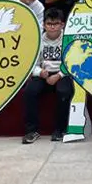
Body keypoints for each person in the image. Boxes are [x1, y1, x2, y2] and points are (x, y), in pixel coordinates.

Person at [22, 8, 73, 143]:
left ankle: (59, 130)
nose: (52, 27)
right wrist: (40, 72)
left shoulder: (68, 39)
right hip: (43, 73)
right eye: (49, 24)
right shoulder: (38, 40)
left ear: (62, 25)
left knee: (64, 91)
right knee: (29, 91)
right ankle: (31, 131)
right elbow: (31, 63)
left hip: (62, 73)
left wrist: (59, 75)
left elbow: (73, 62)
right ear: (44, 24)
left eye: (56, 24)